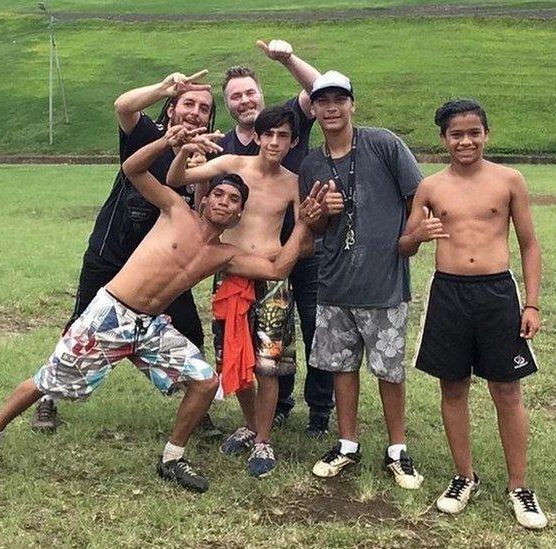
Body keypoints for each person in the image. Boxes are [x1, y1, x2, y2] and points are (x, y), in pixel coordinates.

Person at [0, 125, 320, 493]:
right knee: (49, 381)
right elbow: (133, 171)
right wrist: (166, 143)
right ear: (204, 200)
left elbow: (276, 269)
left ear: (238, 215)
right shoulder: (174, 211)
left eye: (233, 200)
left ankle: (172, 457)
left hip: (150, 327)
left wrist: (302, 224)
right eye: (217, 193)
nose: (223, 201)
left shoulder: (226, 255)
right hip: (109, 315)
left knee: (205, 381)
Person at [31, 71, 216, 433]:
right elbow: (123, 107)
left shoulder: (208, 153)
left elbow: (200, 213)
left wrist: (201, 173)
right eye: (188, 103)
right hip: (111, 251)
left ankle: (196, 405)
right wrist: (165, 87)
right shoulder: (147, 135)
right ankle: (48, 398)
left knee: (191, 329)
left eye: (204, 108)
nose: (195, 112)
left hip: (162, 266)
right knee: (80, 324)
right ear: (172, 108)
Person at [400, 99, 546, 529]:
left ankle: (519, 486)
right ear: (443, 139)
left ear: (486, 133)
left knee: (507, 390)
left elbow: (529, 244)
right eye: (456, 134)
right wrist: (418, 235)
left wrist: (532, 303)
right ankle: (463, 476)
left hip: (497, 291)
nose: (466, 141)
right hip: (449, 293)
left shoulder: (509, 180)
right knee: (453, 387)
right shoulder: (430, 187)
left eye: (473, 132)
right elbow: (404, 245)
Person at [300, 71, 426, 490]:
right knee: (341, 367)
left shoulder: (384, 144)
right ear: (314, 109)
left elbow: (418, 196)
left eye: (340, 99)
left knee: (389, 371)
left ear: (353, 104)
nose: (331, 108)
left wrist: (409, 240)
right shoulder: (312, 163)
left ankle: (397, 449)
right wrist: (319, 214)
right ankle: (347, 443)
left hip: (382, 281)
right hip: (334, 283)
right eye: (323, 101)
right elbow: (313, 229)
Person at [166, 105, 300, 478]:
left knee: (267, 365)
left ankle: (264, 439)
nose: (274, 142)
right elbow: (178, 178)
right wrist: (180, 150)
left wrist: (283, 261)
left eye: (283, 135)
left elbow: (306, 233)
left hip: (272, 281)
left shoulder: (293, 182)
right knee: (235, 359)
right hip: (229, 275)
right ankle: (250, 424)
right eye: (268, 134)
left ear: (293, 141)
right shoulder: (232, 164)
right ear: (256, 136)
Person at [218, 39, 334, 437]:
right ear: (228, 104)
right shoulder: (227, 147)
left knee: (317, 326)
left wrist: (286, 59)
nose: (245, 100)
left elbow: (321, 85)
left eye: (250, 92)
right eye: (236, 96)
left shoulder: (285, 119)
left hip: (307, 249)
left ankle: (320, 409)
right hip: (258, 262)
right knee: (268, 335)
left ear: (261, 94)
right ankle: (278, 405)